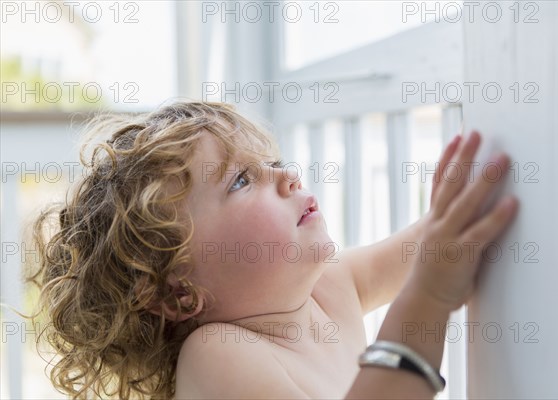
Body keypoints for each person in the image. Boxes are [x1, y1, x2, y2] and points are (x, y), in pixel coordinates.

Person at [28, 101, 518, 399]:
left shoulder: (329, 286)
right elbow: (430, 277)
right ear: (179, 293)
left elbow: (431, 246)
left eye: (271, 161)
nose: (287, 175)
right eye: (242, 180)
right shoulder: (218, 355)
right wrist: (427, 302)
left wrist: (464, 201)